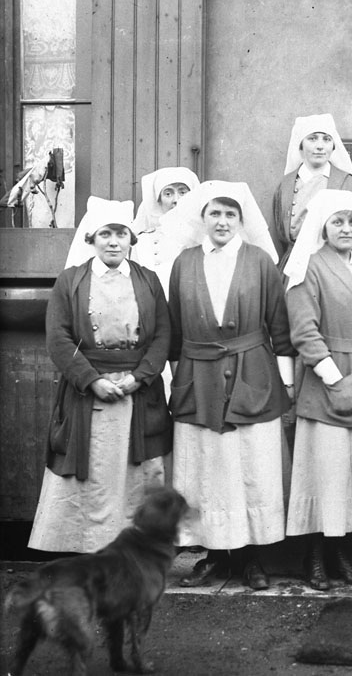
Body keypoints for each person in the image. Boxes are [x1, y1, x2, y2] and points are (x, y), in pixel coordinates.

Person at [161, 180, 295, 590]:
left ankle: (252, 556)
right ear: (202, 219)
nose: (222, 221)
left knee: (251, 464)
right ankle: (215, 555)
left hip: (252, 372)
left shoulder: (259, 261)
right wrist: (176, 379)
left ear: (242, 220)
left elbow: (280, 326)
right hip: (197, 377)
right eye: (214, 214)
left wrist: (286, 383)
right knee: (206, 467)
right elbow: (175, 330)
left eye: (230, 215)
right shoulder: (184, 262)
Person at [29, 196, 171, 553]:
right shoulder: (70, 281)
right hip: (88, 393)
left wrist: (139, 378)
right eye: (105, 234)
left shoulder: (149, 280)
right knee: (91, 470)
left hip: (136, 392)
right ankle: (88, 547)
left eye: (121, 234)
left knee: (137, 472)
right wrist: (93, 380)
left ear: (131, 240)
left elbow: (163, 336)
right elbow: (58, 338)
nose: (113, 241)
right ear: (91, 239)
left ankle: (136, 549)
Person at [283, 190, 352, 590]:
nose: (346, 229)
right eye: (337, 222)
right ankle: (313, 558)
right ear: (323, 227)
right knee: (323, 471)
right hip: (329, 378)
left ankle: (340, 553)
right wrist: (332, 378)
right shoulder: (308, 267)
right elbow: (304, 331)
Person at [272, 113, 352, 267]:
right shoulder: (285, 185)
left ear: (333, 146)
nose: (320, 146)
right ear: (301, 145)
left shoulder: (347, 183)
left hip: (334, 264)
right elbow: (279, 233)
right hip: (294, 263)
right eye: (312, 139)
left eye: (326, 139)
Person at [131, 166, 200, 291]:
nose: (176, 200)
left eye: (183, 192)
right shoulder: (143, 242)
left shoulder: (203, 237)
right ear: (158, 201)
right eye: (168, 193)